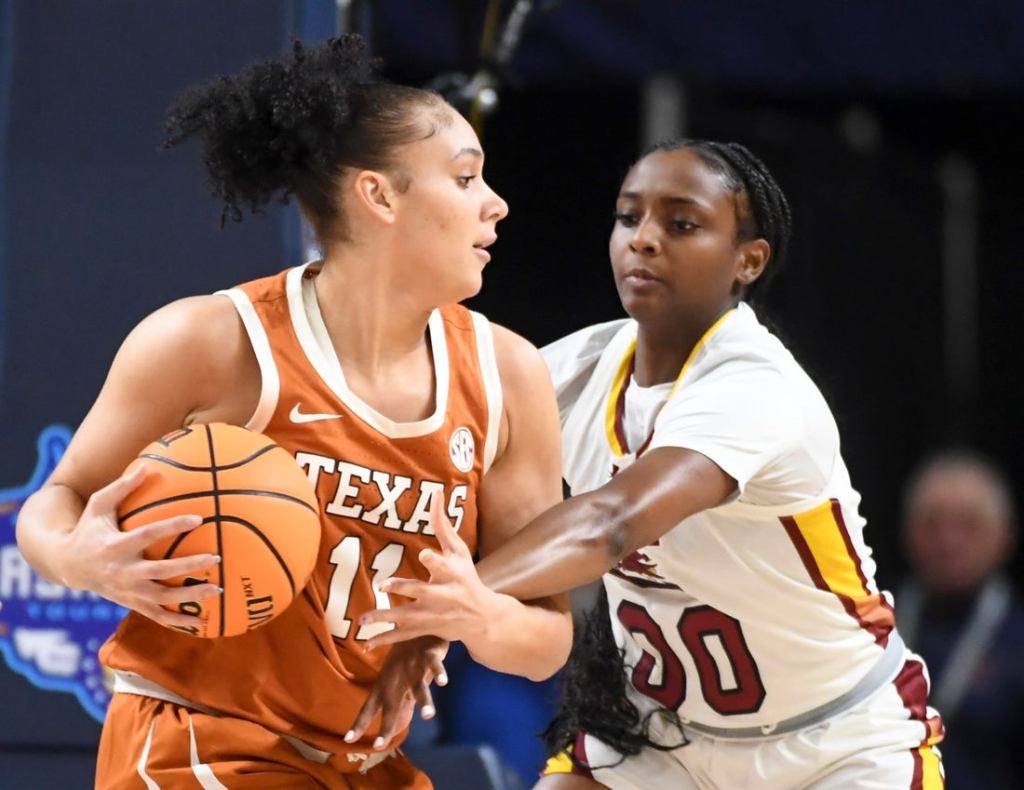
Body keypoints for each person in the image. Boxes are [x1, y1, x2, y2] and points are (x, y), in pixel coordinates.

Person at [15, 36, 571, 789]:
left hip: (365, 761)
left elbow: (548, 636)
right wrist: (76, 557)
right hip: (196, 741)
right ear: (380, 196)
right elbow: (57, 500)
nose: (495, 203)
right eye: (466, 177)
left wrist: (480, 616)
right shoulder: (211, 342)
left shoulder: (509, 376)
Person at [358, 139, 947, 788]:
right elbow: (415, 446)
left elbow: (609, 525)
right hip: (660, 736)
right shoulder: (575, 369)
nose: (642, 238)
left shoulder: (757, 386)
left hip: (832, 744)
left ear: (748, 260)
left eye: (682, 223)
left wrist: (452, 603)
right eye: (628, 217)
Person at [898, 449, 1023, 789]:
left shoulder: (1017, 640)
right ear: (907, 530)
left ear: (1005, 533)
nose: (948, 541)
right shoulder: (871, 627)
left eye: (970, 525)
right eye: (932, 524)